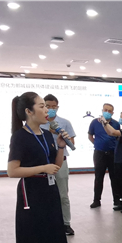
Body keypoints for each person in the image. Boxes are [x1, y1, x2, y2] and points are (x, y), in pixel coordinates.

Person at [7, 92, 72, 243]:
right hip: (31, 193)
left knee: (50, 236)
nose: (47, 110)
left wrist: (60, 146)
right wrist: (42, 168)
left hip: (49, 190)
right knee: (32, 240)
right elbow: (12, 171)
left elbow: (56, 165)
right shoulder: (20, 136)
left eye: (48, 106)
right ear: (29, 111)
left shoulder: (46, 134)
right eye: (42, 106)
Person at [41, 94, 76, 235]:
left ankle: (66, 223)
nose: (50, 109)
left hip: (61, 161)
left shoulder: (64, 122)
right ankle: (47, 223)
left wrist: (60, 135)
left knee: (63, 195)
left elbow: (72, 142)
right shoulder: (38, 123)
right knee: (44, 195)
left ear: (57, 107)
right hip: (43, 163)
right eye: (47, 106)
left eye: (53, 107)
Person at [88, 103, 121, 209]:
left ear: (112, 113)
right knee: (98, 177)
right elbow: (90, 136)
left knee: (114, 177)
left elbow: (118, 137)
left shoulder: (116, 124)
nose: (107, 112)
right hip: (99, 153)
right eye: (105, 110)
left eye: (109, 111)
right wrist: (97, 144)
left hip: (113, 153)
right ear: (102, 111)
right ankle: (96, 200)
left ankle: (117, 200)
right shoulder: (94, 122)